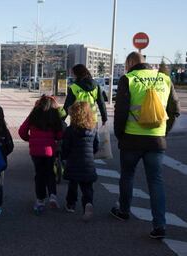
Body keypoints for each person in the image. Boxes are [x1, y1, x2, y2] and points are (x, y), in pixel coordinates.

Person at [110, 52, 180, 239]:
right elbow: (175, 109)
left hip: (131, 139)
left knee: (127, 176)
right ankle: (159, 225)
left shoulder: (129, 79)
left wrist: (119, 135)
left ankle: (124, 211)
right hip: (156, 139)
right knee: (155, 181)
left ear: (129, 63)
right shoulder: (164, 78)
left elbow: (121, 111)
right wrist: (164, 131)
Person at [18, 95, 63, 214]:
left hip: (35, 151)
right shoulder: (54, 116)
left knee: (39, 174)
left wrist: (30, 139)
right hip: (50, 150)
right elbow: (59, 135)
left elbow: (22, 131)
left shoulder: (34, 115)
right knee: (50, 173)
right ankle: (53, 195)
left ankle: (40, 200)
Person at [62, 101, 99, 221]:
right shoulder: (93, 129)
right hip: (88, 162)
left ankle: (71, 204)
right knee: (87, 186)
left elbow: (65, 147)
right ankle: (88, 203)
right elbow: (96, 146)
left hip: (73, 162)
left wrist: (63, 157)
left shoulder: (70, 130)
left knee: (73, 184)